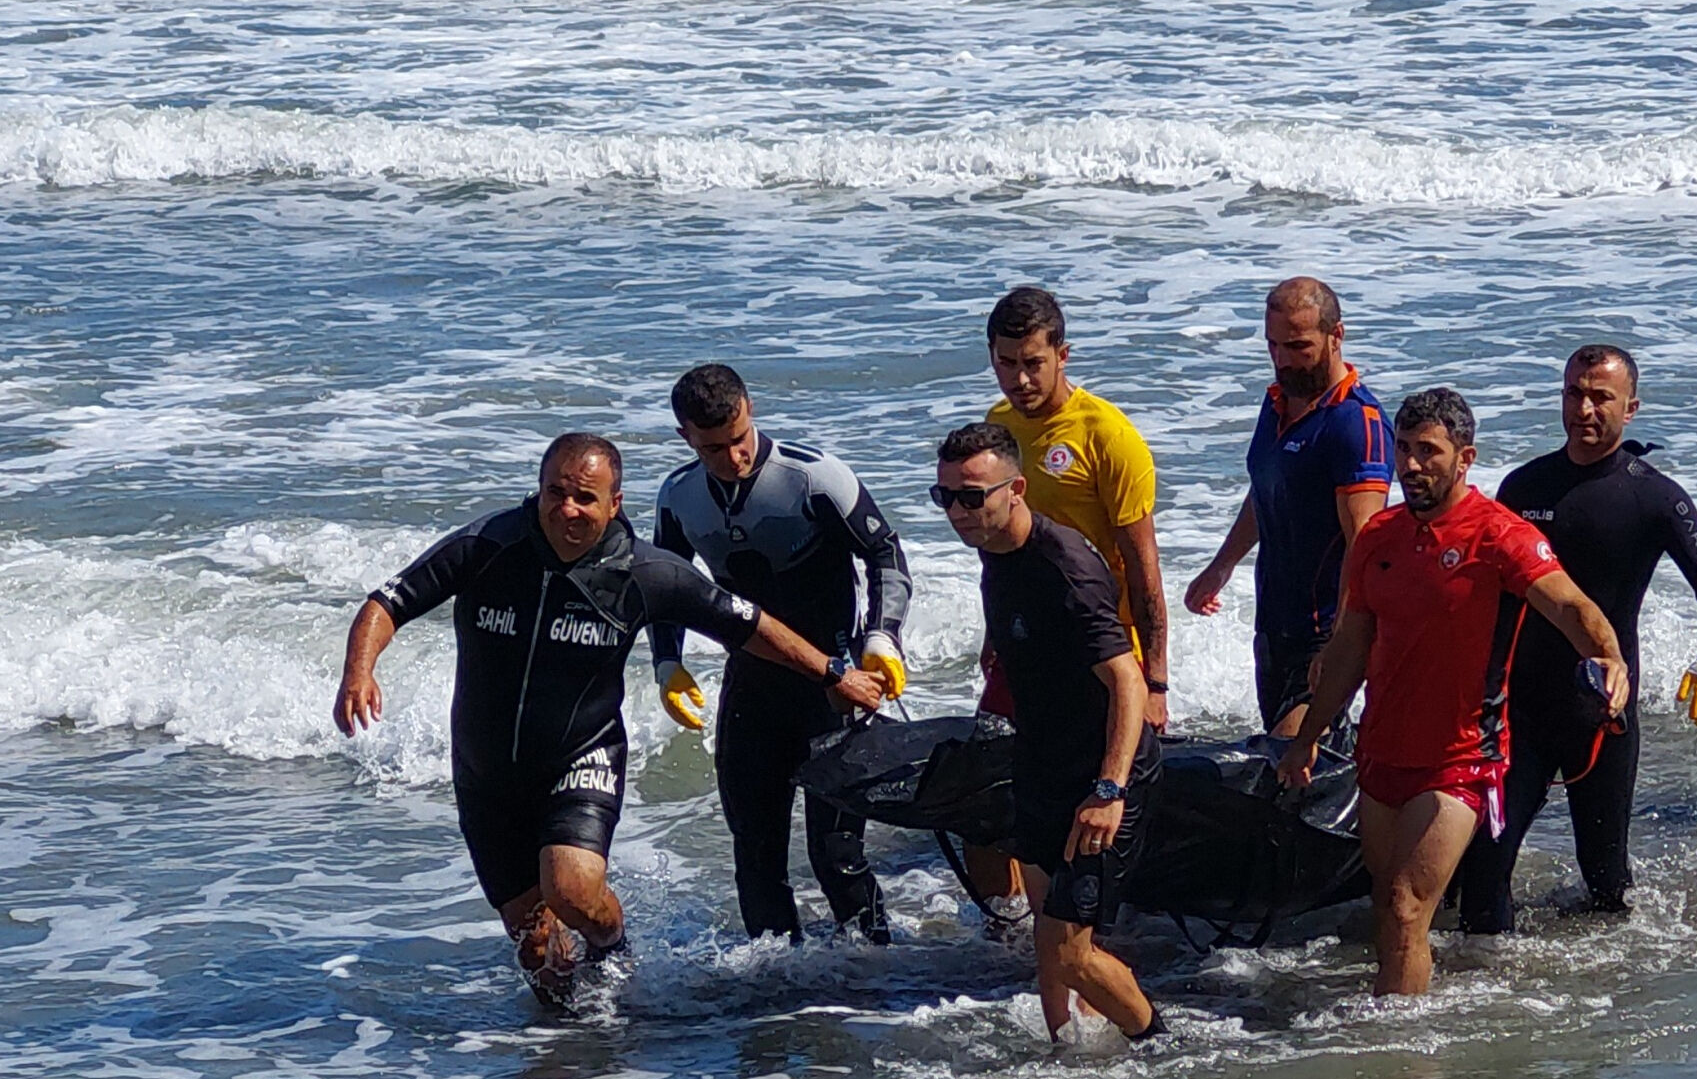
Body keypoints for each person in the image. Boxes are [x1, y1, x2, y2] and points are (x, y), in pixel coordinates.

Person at [332, 433, 886, 1006]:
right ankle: (575, 1064)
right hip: (485, 770)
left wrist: (834, 675)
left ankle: (613, 944)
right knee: (537, 951)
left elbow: (748, 624)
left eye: (585, 499)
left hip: (582, 755)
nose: (567, 509)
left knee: (571, 891)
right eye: (556, 493)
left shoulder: (644, 573)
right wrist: (359, 672)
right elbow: (388, 602)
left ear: (614, 504)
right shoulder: (488, 545)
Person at [1277, 390, 1630, 997]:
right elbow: (1349, 651)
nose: (1411, 465)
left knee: (1406, 905)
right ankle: (1408, 1020)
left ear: (1464, 459)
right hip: (1382, 752)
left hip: (1463, 759)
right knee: (1391, 914)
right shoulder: (1378, 537)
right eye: (1404, 449)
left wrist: (1607, 655)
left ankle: (1402, 1059)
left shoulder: (1499, 536)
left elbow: (1568, 603)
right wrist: (1305, 740)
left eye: (1429, 453)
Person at [1454, 345, 1697, 929]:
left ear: (1630, 408)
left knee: (1606, 888)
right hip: (1519, 714)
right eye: (1573, 394)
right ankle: (1489, 998)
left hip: (1601, 718)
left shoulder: (1654, 496)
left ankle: (1601, 1002)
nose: (1584, 408)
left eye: (1600, 397)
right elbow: (1480, 593)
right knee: (1483, 871)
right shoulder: (1524, 487)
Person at [649, 365, 912, 944]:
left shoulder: (812, 478)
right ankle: (780, 1001)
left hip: (837, 686)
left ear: (751, 411)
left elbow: (886, 555)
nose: (735, 457)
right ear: (685, 436)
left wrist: (881, 637)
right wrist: (667, 662)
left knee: (836, 855)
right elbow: (663, 588)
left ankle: (873, 977)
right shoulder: (679, 496)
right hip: (752, 691)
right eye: (715, 447)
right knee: (757, 858)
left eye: (741, 438)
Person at [935, 421, 1164, 1043]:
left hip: (1099, 775)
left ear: (1018, 489)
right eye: (945, 497)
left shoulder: (1065, 571)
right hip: (1041, 760)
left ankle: (1160, 1047)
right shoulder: (993, 546)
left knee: (1070, 949)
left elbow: (1127, 682)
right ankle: (1068, 1054)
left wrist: (1109, 791)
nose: (957, 512)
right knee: (1047, 936)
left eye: (972, 496)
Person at [969, 287, 1170, 934]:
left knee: (1094, 807)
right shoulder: (999, 427)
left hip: (1097, 652)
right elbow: (993, 543)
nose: (1020, 378)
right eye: (1006, 362)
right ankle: (1011, 929)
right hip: (1023, 647)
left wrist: (1156, 679)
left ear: (1062, 354)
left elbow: (1142, 568)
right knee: (981, 796)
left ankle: (1092, 936)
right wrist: (991, 631)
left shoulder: (1106, 435)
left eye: (1033, 361)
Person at [1184, 277, 1391, 735]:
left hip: (1323, 631)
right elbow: (1269, 489)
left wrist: (1339, 647)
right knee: (1295, 773)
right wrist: (1222, 565)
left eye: (1298, 346)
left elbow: (1366, 545)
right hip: (1273, 624)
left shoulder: (1355, 424)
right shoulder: (1278, 401)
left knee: (1289, 762)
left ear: (1336, 336)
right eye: (1273, 345)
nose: (1282, 360)